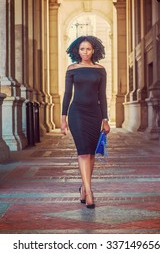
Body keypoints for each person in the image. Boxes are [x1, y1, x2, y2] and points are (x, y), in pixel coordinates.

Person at [61, 35, 110, 209]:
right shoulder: (72, 69)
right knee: (82, 152)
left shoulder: (100, 70)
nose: (85, 52)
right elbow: (67, 94)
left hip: (94, 114)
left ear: (94, 50)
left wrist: (105, 119)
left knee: (90, 153)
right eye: (82, 49)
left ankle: (83, 187)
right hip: (77, 114)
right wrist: (63, 118)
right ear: (77, 51)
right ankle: (89, 192)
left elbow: (102, 96)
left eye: (88, 49)